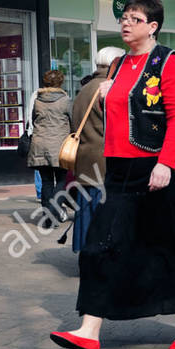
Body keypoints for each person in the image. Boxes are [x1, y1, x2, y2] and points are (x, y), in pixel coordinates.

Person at [50, 0, 175, 349]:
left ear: (152, 26)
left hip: (164, 167)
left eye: (134, 18)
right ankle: (89, 329)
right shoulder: (117, 66)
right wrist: (107, 92)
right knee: (99, 244)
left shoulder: (169, 61)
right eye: (124, 17)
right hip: (120, 169)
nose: (126, 23)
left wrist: (165, 164)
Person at [68, 47, 119, 251]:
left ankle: (85, 255)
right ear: (115, 64)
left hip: (84, 160)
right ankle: (99, 258)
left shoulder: (84, 89)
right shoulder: (108, 88)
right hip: (104, 162)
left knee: (85, 212)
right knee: (102, 213)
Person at [27, 70, 73, 225]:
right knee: (61, 180)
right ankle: (54, 211)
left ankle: (48, 217)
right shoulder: (65, 100)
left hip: (39, 145)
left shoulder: (38, 100)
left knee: (46, 181)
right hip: (60, 146)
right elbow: (73, 122)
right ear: (60, 83)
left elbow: (33, 120)